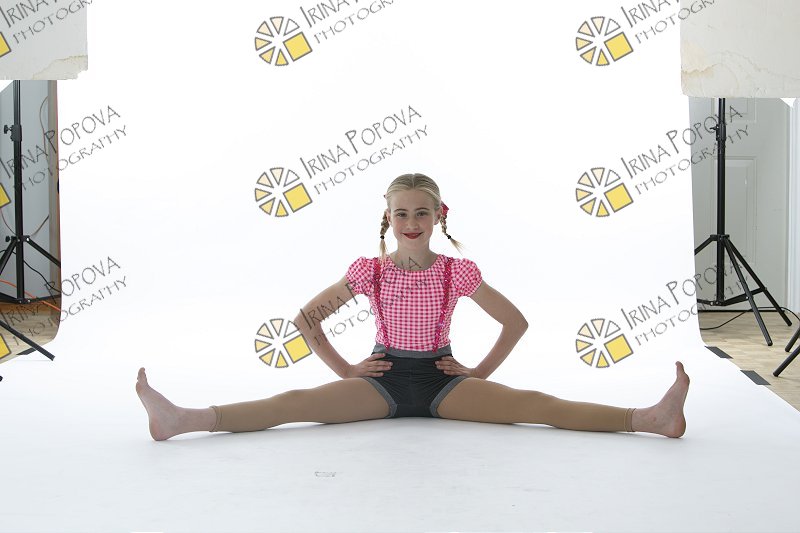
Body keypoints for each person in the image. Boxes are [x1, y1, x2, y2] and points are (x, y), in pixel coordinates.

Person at [136, 173, 690, 441]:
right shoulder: (370, 271)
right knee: (292, 403)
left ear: (439, 216)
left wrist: (477, 373)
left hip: (442, 381)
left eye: (421, 213)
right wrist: (346, 370)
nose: (411, 223)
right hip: (382, 380)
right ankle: (185, 419)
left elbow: (515, 322)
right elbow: (307, 319)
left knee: (538, 405)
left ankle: (647, 419)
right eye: (401, 213)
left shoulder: (456, 272)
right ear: (388, 219)